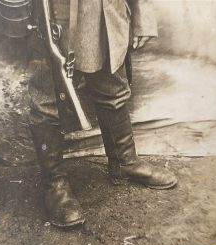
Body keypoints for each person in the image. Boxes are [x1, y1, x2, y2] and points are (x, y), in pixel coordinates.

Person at [28, 0, 177, 228]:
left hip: (104, 12)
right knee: (47, 103)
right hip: (53, 17)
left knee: (113, 90)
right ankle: (54, 184)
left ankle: (123, 163)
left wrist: (142, 16)